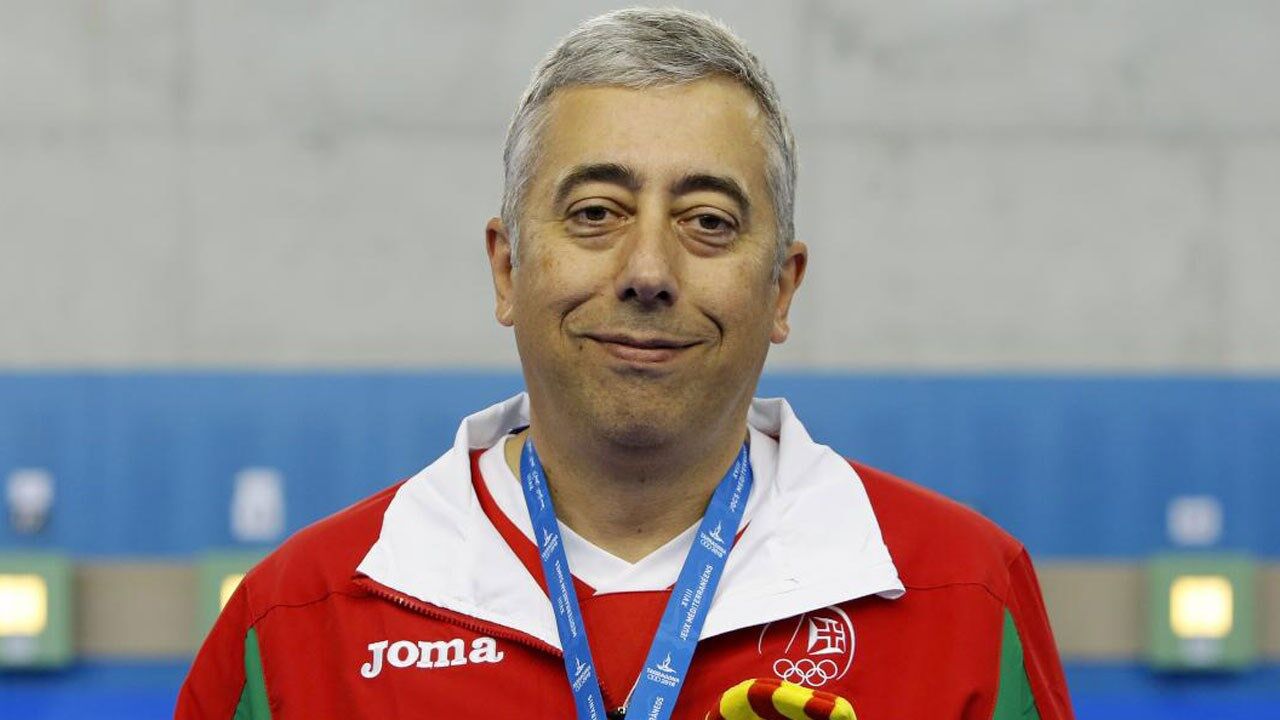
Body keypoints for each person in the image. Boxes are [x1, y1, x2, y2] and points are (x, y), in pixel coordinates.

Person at [177, 8, 1074, 719]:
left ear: (781, 288)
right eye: (596, 214)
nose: (649, 271)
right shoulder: (300, 620)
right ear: (507, 269)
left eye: (709, 222)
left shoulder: (961, 595)